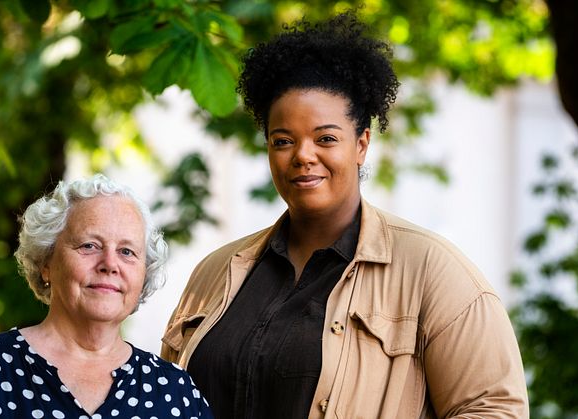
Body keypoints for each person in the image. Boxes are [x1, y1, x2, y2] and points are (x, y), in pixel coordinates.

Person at [161, 12, 528, 419]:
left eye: (326, 138)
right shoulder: (212, 275)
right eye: (283, 140)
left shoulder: (432, 272)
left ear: (361, 144)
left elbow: (494, 409)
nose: (303, 155)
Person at [0, 174, 213, 419]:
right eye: (89, 245)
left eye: (127, 252)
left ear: (143, 275)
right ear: (46, 262)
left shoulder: (176, 392)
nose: (110, 264)